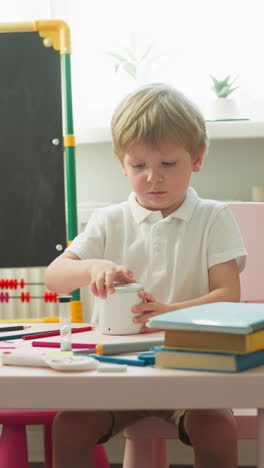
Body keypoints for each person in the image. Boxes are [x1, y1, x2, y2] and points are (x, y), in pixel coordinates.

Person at [45, 83, 247, 468]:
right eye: (139, 166)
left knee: (218, 428)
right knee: (67, 427)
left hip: (192, 373)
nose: (153, 178)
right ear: (122, 164)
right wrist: (93, 266)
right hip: (117, 375)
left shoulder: (212, 217)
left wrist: (168, 311)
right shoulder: (109, 220)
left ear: (197, 159)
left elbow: (228, 295)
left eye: (168, 165)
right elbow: (55, 278)